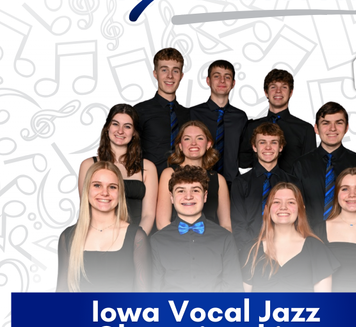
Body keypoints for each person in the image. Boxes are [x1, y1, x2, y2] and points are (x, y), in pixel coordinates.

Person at [56, 161, 151, 292]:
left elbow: (144, 298)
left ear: (120, 193)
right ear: (86, 189)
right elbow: (61, 294)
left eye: (112, 187)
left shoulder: (136, 237)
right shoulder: (68, 236)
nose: (104, 192)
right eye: (97, 185)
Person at [150, 166, 242, 291]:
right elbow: (154, 292)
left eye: (195, 190)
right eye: (181, 191)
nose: (188, 196)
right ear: (171, 198)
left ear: (205, 197)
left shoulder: (225, 238)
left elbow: (234, 290)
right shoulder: (157, 241)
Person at [292, 102, 356, 238]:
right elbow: (294, 207)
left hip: (351, 239)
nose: (332, 128)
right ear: (316, 128)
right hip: (309, 239)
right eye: (326, 123)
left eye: (339, 123)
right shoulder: (300, 165)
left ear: (346, 127)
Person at [77, 104, 158, 234]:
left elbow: (148, 215)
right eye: (115, 124)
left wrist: (134, 241)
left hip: (136, 240)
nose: (120, 131)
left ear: (134, 133)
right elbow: (86, 210)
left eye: (127, 126)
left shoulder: (148, 168)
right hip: (98, 238)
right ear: (107, 128)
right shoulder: (88, 165)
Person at [244, 183, 334, 292]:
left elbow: (323, 303)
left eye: (291, 202)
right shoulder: (252, 250)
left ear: (301, 209)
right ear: (267, 209)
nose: (283, 207)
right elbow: (242, 301)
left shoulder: (317, 249)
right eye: (276, 202)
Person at [230, 123, 295, 262]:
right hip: (250, 253)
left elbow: (298, 220)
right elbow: (238, 224)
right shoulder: (240, 183)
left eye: (274, 142)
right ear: (254, 147)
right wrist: (255, 251)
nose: (268, 147)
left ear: (281, 147)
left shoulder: (293, 183)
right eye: (262, 142)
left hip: (287, 252)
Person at [155, 121, 231, 230]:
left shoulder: (219, 180)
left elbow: (226, 224)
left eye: (199, 138)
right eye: (187, 139)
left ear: (208, 144)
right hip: (175, 242)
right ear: (180, 146)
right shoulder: (169, 174)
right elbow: (162, 222)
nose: (193, 143)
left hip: (211, 242)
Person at [238, 68, 316, 172]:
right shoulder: (251, 127)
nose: (278, 91)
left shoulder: (305, 129)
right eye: (273, 87)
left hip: (292, 186)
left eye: (284, 87)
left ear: (291, 92)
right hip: (259, 186)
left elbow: (309, 167)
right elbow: (243, 160)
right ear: (266, 92)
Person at [189, 60, 247, 183]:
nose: (222, 80)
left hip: (232, 183)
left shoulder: (240, 117)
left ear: (233, 83)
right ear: (208, 81)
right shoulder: (193, 114)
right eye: (217, 76)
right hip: (199, 181)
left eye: (227, 77)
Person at [133, 47, 190, 172]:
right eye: (164, 70)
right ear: (155, 74)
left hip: (183, 184)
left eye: (175, 71)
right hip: (150, 182)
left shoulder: (189, 114)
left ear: (181, 75)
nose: (170, 76)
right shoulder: (139, 111)